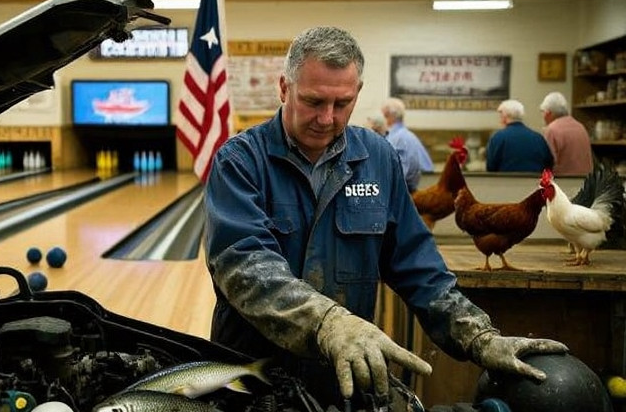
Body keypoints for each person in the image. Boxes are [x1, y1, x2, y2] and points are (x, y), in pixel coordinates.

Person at [203, 26, 568, 410]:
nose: (326, 118)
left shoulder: (377, 158)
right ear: (284, 88)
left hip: (343, 381)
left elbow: (418, 264)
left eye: (342, 104)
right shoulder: (240, 161)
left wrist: (477, 335)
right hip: (251, 378)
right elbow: (245, 266)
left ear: (358, 92)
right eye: (313, 101)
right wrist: (327, 323)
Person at [486, 99, 554, 172]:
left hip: (506, 179)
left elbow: (491, 167)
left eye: (500, 116)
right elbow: (549, 164)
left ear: (504, 117)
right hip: (535, 178)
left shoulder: (497, 138)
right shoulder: (538, 138)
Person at [381, 97, 433, 191]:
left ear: (388, 115)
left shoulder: (396, 139)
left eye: (383, 115)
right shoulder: (409, 136)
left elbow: (397, 175)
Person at [540, 92, 594, 175]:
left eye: (542, 112)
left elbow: (547, 162)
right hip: (585, 179)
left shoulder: (552, 130)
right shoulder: (580, 127)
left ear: (548, 113)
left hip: (564, 180)